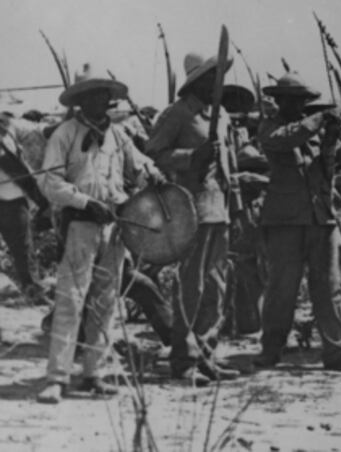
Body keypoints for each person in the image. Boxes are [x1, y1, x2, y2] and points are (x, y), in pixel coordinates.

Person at [36, 65, 164, 404]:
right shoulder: (66, 133)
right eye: (93, 94)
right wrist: (85, 201)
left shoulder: (119, 135)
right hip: (81, 224)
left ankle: (94, 372)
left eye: (105, 95)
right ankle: (57, 377)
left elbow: (139, 165)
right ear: (80, 101)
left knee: (106, 301)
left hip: (116, 224)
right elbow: (49, 182)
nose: (101, 100)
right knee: (71, 299)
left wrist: (154, 174)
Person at [252, 72, 341, 373]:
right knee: (281, 290)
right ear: (279, 101)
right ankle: (271, 350)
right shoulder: (270, 126)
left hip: (320, 217)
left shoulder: (310, 130)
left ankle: (336, 353)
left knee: (329, 289)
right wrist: (318, 120)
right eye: (293, 100)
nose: (299, 106)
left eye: (302, 101)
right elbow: (284, 140)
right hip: (285, 219)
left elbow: (334, 161)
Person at [146, 51, 241, 385]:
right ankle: (183, 360)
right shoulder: (177, 114)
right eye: (212, 78)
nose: (219, 85)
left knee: (216, 285)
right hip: (190, 208)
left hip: (219, 209)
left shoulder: (223, 115)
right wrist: (191, 157)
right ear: (198, 81)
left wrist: (236, 203)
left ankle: (204, 354)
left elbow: (230, 164)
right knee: (191, 286)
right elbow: (153, 154)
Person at [0, 112, 50, 303]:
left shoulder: (9, 127)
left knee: (23, 249)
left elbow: (41, 130)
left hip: (12, 200)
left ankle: (33, 291)